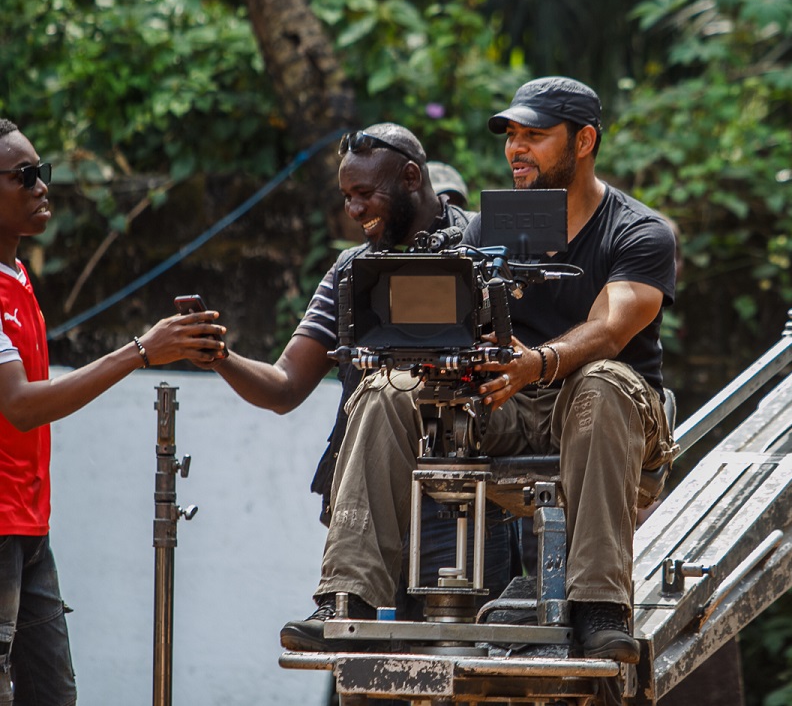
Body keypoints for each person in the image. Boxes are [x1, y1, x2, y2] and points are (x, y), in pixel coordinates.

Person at [281, 77, 678, 665]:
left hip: (604, 420)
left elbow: (612, 329)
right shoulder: (492, 228)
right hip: (504, 409)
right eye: (511, 136)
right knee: (389, 389)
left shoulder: (637, 231)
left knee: (600, 381)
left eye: (535, 136)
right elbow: (445, 320)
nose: (516, 148)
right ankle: (350, 598)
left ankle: (599, 606)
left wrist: (536, 363)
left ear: (585, 140)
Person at [205, 123, 515, 622]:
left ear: (412, 177)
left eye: (365, 194)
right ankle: (343, 600)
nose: (353, 210)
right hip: (371, 509)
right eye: (347, 196)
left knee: (467, 667)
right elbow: (285, 387)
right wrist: (219, 357)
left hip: (470, 499)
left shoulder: (486, 246)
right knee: (365, 668)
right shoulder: (351, 273)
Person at [0, 118, 226, 705]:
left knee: (53, 693)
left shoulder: (18, 276)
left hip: (28, 525)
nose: (42, 186)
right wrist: (142, 352)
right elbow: (21, 406)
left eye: (41, 172)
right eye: (25, 176)